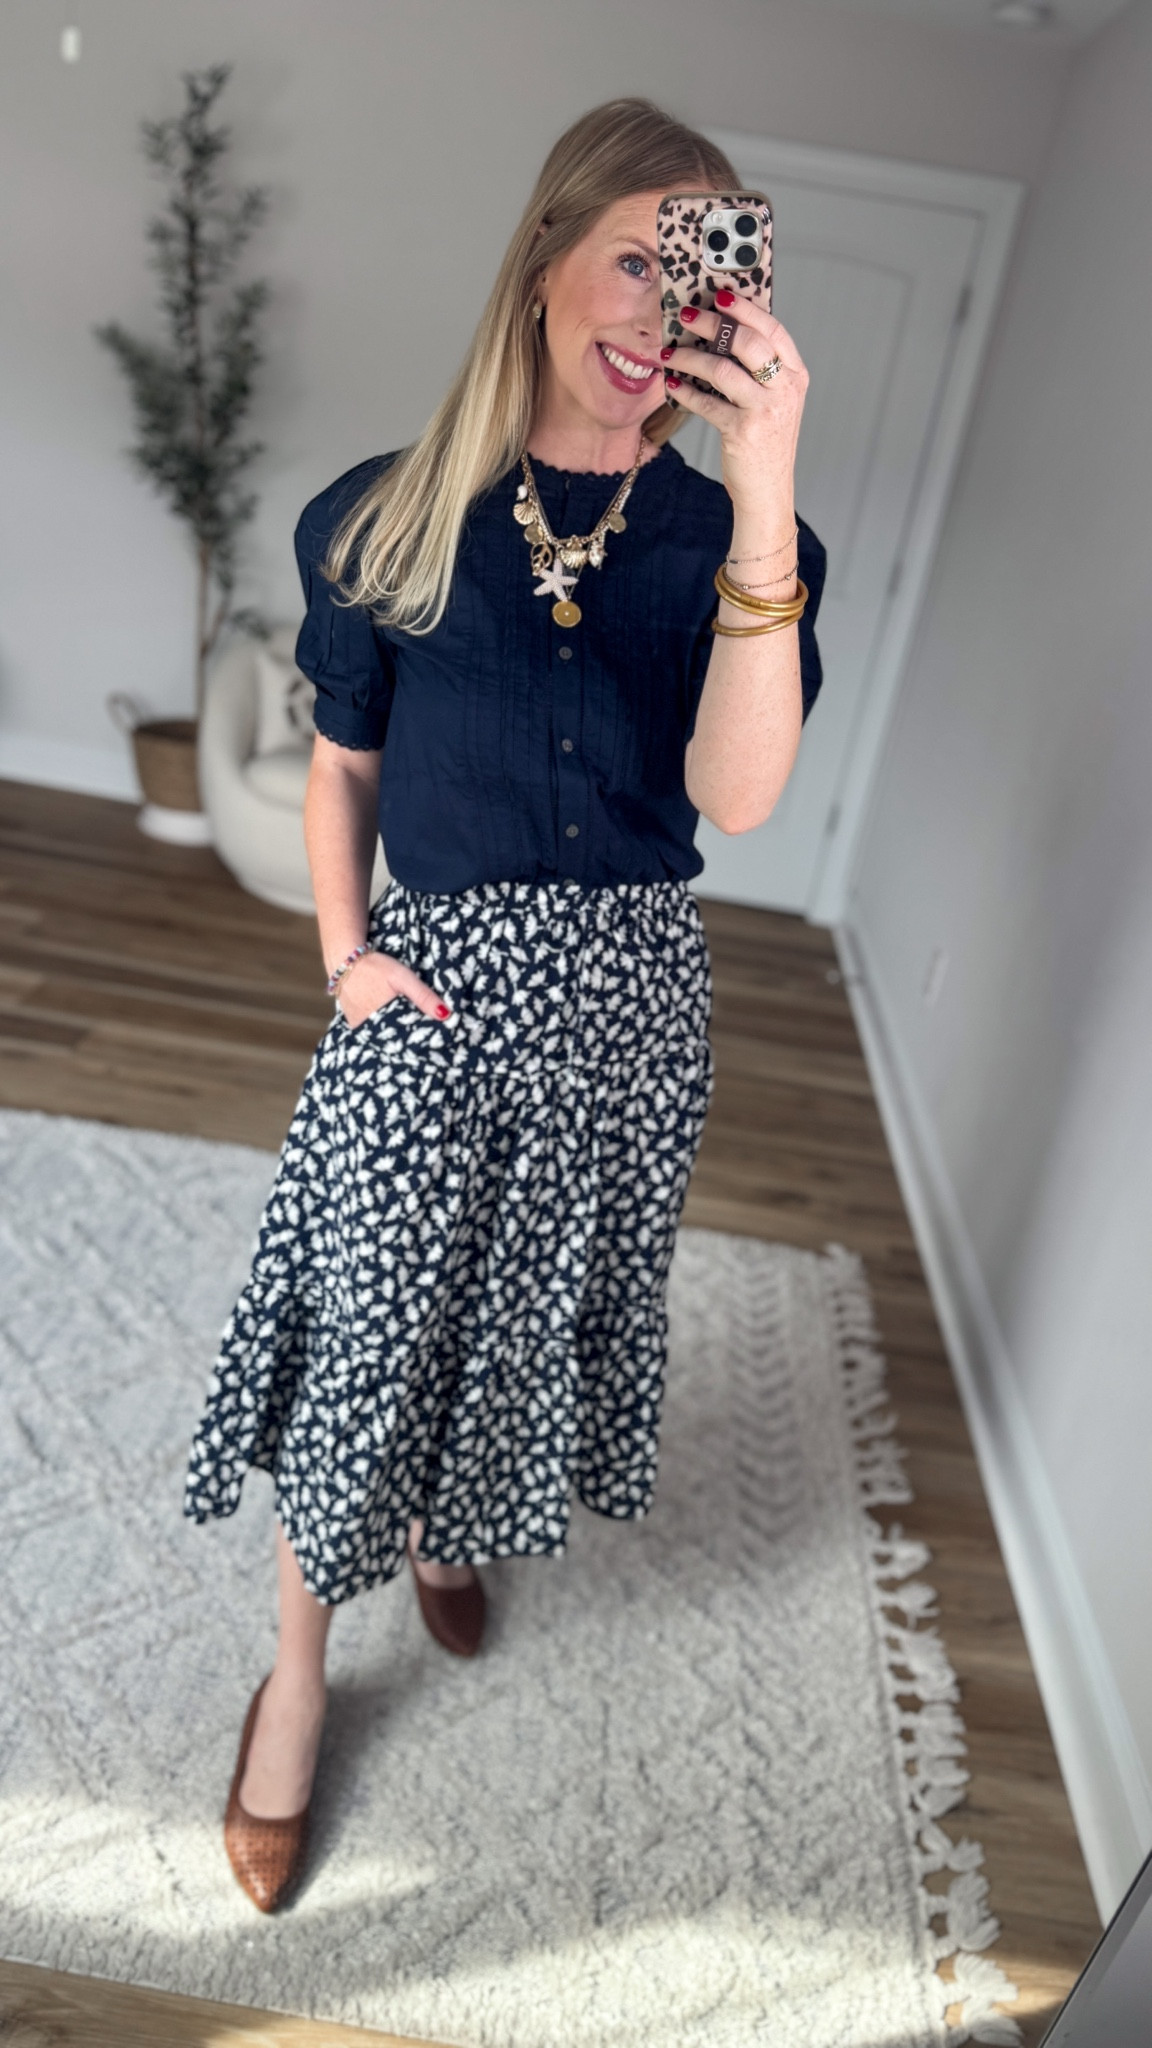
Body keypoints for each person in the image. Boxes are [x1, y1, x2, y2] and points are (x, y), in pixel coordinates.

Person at [184, 96, 826, 1913]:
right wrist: (344, 962)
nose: (660, 310)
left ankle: (448, 1533)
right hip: (430, 999)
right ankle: (296, 1683)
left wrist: (763, 487)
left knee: (520, 1328)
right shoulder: (381, 515)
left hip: (628, 1017)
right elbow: (341, 766)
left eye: (701, 273)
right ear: (544, 261)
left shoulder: (738, 542)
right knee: (368, 1336)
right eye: (635, 256)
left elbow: (741, 797)